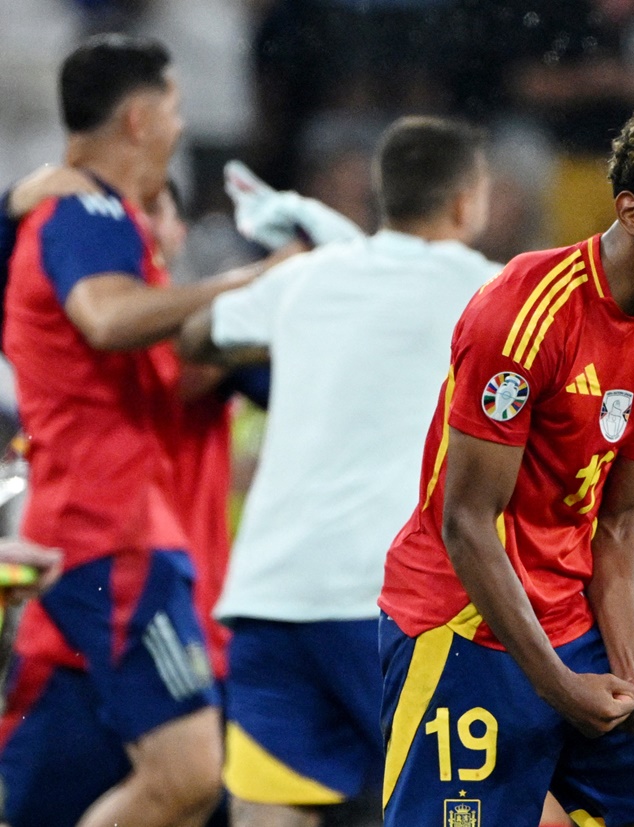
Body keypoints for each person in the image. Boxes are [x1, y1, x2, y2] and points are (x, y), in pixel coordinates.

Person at [375, 105, 634, 827]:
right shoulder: (525, 311)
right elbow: (466, 523)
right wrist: (559, 686)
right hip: (462, 629)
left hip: (571, 628)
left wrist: (631, 672)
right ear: (633, 211)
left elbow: (617, 523)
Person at [177, 116, 496, 827]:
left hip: (272, 594)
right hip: (389, 601)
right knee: (463, 808)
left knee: (270, 814)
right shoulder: (500, 296)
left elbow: (196, 338)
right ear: (465, 201)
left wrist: (298, 315)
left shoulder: (307, 278)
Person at [0, 33, 277, 827]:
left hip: (109, 534)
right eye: (175, 108)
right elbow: (108, 317)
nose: (182, 126)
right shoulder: (88, 211)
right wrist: (255, 278)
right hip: (109, 531)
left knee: (140, 797)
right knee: (190, 774)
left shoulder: (84, 218)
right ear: (138, 117)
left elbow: (172, 364)